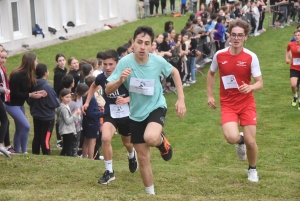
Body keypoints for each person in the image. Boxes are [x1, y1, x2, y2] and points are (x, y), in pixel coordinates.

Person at [105, 26, 186, 195]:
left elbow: (175, 72)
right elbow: (107, 90)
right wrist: (120, 80)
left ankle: (161, 141)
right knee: (142, 157)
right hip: (135, 113)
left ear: (151, 46)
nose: (142, 46)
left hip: (156, 106)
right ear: (133, 43)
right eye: (139, 42)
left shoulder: (157, 61)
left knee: (150, 137)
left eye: (146, 43)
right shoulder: (125, 62)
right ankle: (150, 194)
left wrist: (181, 99)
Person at [206, 19, 263, 182]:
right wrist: (209, 95)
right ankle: (240, 140)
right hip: (228, 104)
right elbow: (211, 74)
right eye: (233, 35)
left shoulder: (251, 57)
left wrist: (251, 87)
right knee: (231, 137)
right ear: (229, 35)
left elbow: (260, 82)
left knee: (252, 142)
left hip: (246, 104)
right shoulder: (220, 55)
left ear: (245, 37)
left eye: (240, 35)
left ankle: (252, 169)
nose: (236, 38)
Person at [82, 49, 138, 185]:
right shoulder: (102, 77)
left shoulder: (127, 76)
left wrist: (127, 99)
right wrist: (88, 102)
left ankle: (132, 155)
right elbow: (93, 86)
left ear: (117, 63)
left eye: (111, 64)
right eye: (105, 64)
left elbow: (139, 94)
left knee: (127, 143)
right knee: (105, 138)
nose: (107, 67)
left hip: (126, 114)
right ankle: (109, 172)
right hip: (110, 113)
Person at [4, 53, 47, 154]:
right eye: (36, 60)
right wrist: (30, 95)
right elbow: (14, 93)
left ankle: (18, 151)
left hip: (20, 105)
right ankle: (24, 152)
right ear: (31, 62)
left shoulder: (29, 74)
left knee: (19, 128)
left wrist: (38, 93)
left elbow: (29, 89)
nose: (37, 62)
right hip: (11, 105)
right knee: (26, 126)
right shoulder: (17, 74)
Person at [28, 63, 60, 155]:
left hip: (36, 115)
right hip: (47, 117)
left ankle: (35, 154)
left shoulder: (32, 84)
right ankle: (47, 154)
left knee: (37, 136)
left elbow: (29, 99)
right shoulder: (47, 87)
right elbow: (55, 103)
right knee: (45, 138)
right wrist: (57, 99)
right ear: (46, 73)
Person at [57, 89, 81, 156]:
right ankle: (68, 157)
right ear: (61, 97)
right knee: (68, 148)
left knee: (65, 147)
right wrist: (75, 114)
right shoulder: (64, 108)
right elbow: (67, 121)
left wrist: (74, 113)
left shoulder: (65, 106)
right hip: (67, 130)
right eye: (67, 97)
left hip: (68, 130)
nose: (69, 99)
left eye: (70, 97)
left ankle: (62, 156)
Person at [54, 53, 67, 149]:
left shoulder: (65, 70)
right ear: (57, 62)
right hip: (60, 98)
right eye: (60, 61)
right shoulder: (58, 74)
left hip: (66, 97)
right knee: (59, 119)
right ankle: (59, 140)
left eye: (63, 60)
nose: (62, 62)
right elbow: (57, 88)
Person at [0, 48, 11, 158]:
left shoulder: (2, 68)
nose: (3, 60)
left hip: (2, 97)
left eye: (5, 58)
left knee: (5, 120)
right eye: (1, 57)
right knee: (5, 120)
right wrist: (3, 90)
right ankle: (1, 144)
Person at [286, 29, 300, 109]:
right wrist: (286, 59)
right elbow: (287, 50)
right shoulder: (291, 44)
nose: (297, 37)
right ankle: (295, 96)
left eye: (299, 35)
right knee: (293, 84)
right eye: (296, 35)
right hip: (294, 67)